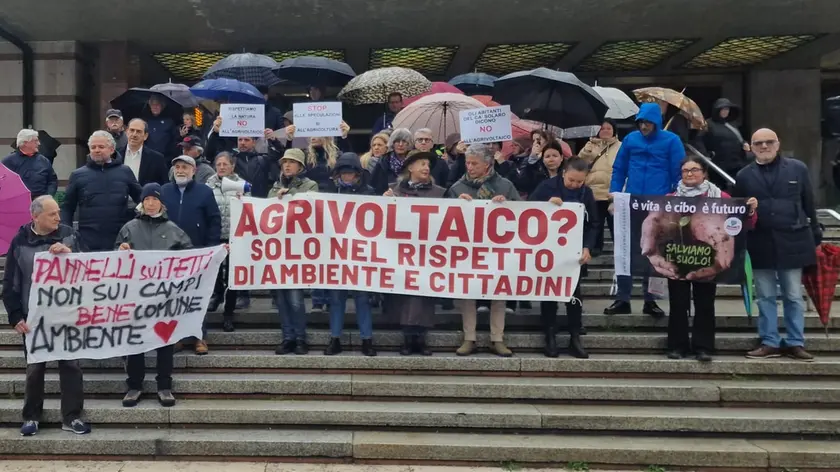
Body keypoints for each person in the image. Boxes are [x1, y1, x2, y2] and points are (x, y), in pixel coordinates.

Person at [3, 195, 91, 436]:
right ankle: (31, 417)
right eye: (52, 214)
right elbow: (10, 282)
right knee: (34, 368)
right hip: (34, 319)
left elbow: (90, 267)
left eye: (58, 213)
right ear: (35, 216)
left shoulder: (69, 235)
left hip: (67, 315)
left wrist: (69, 253)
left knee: (71, 366)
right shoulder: (20, 241)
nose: (58, 218)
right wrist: (15, 316)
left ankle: (72, 416)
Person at [656, 156, 757, 362]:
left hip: (708, 259)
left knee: (704, 303)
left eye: (694, 170)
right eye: (685, 171)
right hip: (678, 258)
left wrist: (751, 210)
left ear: (704, 173)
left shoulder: (721, 197)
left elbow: (742, 221)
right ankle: (677, 346)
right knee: (678, 303)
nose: (690, 174)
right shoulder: (670, 197)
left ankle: (704, 347)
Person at [734, 128, 820, 361]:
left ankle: (795, 341)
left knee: (793, 295)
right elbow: (737, 212)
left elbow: (809, 202)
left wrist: (816, 234)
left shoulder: (798, 169)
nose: (764, 146)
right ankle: (769, 340)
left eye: (769, 142)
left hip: (793, 239)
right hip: (760, 241)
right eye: (758, 143)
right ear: (751, 147)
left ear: (778, 144)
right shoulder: (743, 175)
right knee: (765, 295)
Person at [116, 183, 192, 407]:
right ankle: (134, 386)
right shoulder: (129, 227)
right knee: (136, 341)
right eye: (147, 199)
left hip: (164, 296)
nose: (150, 203)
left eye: (154, 199)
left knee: (164, 341)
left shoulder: (173, 229)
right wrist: (120, 250)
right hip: (136, 295)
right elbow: (115, 259)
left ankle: (164, 386)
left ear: (161, 203)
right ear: (141, 202)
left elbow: (189, 256)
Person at [605, 102, 684, 318]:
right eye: (641, 122)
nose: (643, 126)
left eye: (648, 122)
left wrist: (675, 197)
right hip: (631, 201)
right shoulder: (631, 139)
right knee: (625, 250)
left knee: (656, 251)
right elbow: (619, 168)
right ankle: (623, 297)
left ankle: (652, 300)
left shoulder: (672, 140)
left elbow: (678, 172)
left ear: (656, 122)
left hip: (659, 202)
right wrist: (614, 193)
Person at [446, 143, 521, 357]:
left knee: (499, 293)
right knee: (468, 293)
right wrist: (455, 205)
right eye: (467, 162)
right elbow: (441, 218)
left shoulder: (505, 186)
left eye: (474, 163)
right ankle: (469, 337)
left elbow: (524, 215)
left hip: (498, 250)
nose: (469, 167)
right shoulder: (457, 188)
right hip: (468, 250)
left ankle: (497, 338)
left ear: (488, 164)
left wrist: (507, 205)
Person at [529, 158, 595, 358]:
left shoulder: (587, 193)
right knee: (549, 294)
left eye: (579, 182)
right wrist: (546, 206)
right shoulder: (546, 187)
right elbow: (527, 212)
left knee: (574, 295)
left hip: (574, 253)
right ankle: (550, 335)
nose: (575, 185)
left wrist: (588, 247)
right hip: (549, 250)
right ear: (563, 172)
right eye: (571, 180)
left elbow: (595, 223)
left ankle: (575, 335)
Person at [383, 151, 446, 355]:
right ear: (410, 168)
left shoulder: (439, 193)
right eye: (421, 164)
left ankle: (421, 338)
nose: (426, 168)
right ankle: (408, 338)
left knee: (424, 295)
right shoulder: (394, 191)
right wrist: (384, 202)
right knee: (406, 295)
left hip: (428, 253)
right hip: (401, 253)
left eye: (428, 164)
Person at [161, 155, 222, 355]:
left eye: (184, 167)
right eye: (177, 167)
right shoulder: (163, 191)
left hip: (198, 253)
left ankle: (199, 337)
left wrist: (211, 248)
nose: (180, 170)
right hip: (170, 254)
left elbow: (214, 221)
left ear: (194, 170)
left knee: (198, 296)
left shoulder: (204, 192)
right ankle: (177, 337)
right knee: (174, 297)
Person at [323, 152, 378, 357]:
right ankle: (335, 338)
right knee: (336, 298)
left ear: (358, 174)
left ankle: (367, 340)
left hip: (361, 254)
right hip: (336, 254)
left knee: (362, 298)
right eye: (344, 173)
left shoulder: (369, 193)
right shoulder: (329, 192)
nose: (347, 176)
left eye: (351, 173)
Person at [269, 148, 318, 355]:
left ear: (300, 166)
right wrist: (276, 201)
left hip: (298, 251)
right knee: (280, 299)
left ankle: (300, 338)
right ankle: (287, 337)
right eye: (284, 162)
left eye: (291, 162)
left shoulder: (310, 186)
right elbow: (265, 215)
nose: (287, 165)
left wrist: (290, 198)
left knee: (296, 300)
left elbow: (312, 208)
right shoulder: (274, 188)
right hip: (278, 251)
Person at [61, 131, 142, 251]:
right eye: (93, 147)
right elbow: (67, 208)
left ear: (112, 149)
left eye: (101, 147)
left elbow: (142, 199)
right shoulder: (77, 175)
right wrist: (67, 236)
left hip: (120, 240)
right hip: (87, 241)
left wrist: (137, 224)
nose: (96, 150)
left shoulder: (125, 172)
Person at [205, 152, 248, 330]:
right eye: (219, 164)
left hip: (234, 237)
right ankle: (216, 295)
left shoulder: (241, 185)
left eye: (225, 164)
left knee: (232, 277)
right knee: (215, 272)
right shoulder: (208, 185)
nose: (221, 167)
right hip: (215, 236)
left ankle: (228, 313)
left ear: (232, 166)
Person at [206, 116, 283, 198]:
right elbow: (210, 154)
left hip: (259, 205)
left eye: (246, 140)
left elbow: (279, 153)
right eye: (240, 140)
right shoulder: (231, 159)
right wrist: (215, 133)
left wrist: (273, 139)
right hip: (236, 203)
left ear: (254, 143)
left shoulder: (262, 160)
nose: (242, 143)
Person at [578, 119, 621, 256]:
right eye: (602, 128)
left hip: (612, 193)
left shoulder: (621, 146)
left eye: (609, 128)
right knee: (596, 224)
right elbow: (579, 164)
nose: (606, 131)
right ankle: (594, 250)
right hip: (594, 192)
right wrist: (586, 150)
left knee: (616, 226)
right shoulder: (590, 146)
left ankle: (619, 252)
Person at [701, 98, 750, 188]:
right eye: (723, 109)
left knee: (738, 187)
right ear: (717, 110)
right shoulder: (708, 124)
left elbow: (739, 138)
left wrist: (744, 143)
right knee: (718, 188)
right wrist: (706, 155)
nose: (725, 112)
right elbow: (699, 140)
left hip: (736, 162)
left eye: (727, 109)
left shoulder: (732, 124)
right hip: (718, 164)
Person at [3, 129, 57, 199]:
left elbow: (52, 181)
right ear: (25, 143)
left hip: (40, 203)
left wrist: (48, 196)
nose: (39, 143)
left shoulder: (44, 160)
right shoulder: (8, 161)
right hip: (18, 202)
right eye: (35, 141)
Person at [118, 118, 169, 186]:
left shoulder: (157, 159)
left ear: (145, 136)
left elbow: (164, 185)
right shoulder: (115, 155)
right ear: (127, 132)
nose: (134, 134)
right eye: (132, 130)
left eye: (138, 131)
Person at [370, 128, 413, 194]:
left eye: (404, 141)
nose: (400, 144)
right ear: (392, 143)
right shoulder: (383, 161)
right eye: (397, 141)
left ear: (409, 144)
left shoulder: (414, 161)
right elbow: (373, 187)